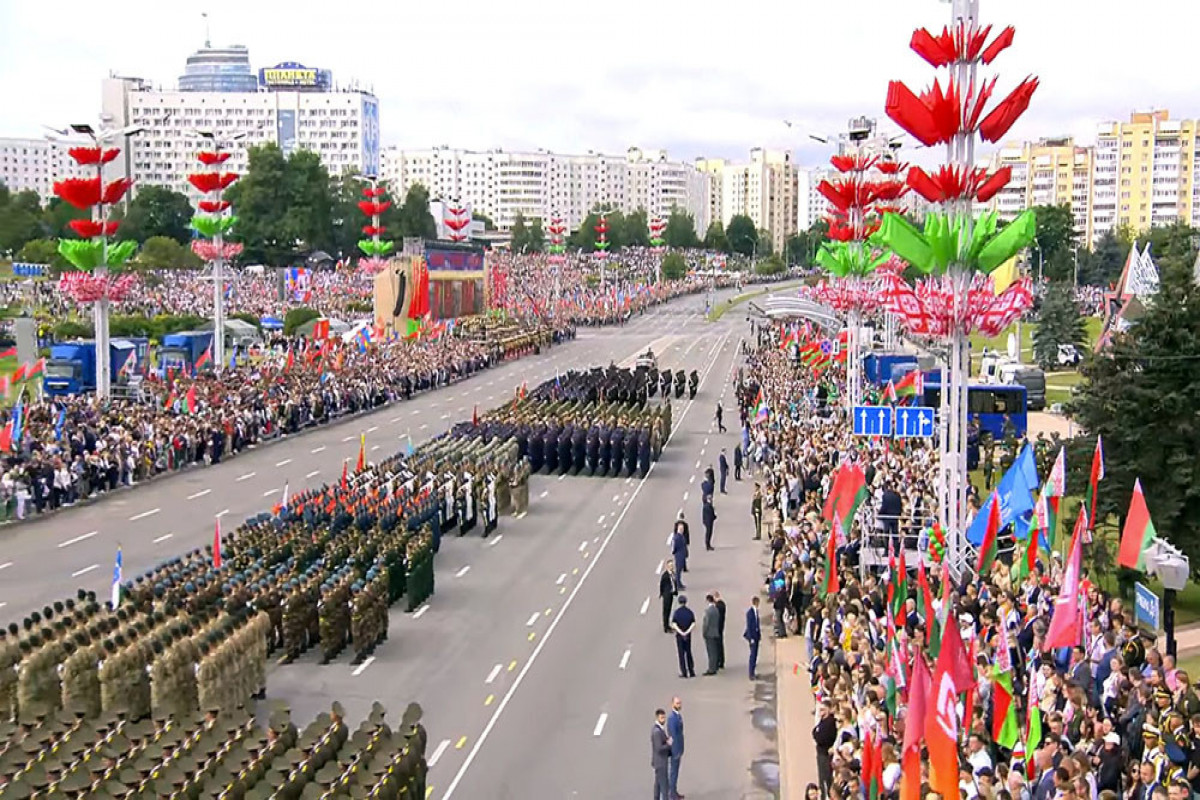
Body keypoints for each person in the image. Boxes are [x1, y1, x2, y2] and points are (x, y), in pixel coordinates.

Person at [814, 701, 837, 800]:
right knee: (821, 778)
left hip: (825, 754)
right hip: (820, 753)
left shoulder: (830, 722)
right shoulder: (822, 721)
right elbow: (814, 732)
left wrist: (817, 734)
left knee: (826, 778)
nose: (821, 712)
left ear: (829, 709)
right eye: (820, 710)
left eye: (823, 710)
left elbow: (822, 738)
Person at [671, 596, 696, 679]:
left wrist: (681, 632)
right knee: (688, 652)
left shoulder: (677, 613)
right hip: (688, 636)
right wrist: (687, 632)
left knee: (681, 654)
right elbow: (693, 623)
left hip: (679, 636)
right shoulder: (689, 612)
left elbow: (674, 624)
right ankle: (691, 670)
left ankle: (684, 672)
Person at [652, 708, 673, 800]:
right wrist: (668, 744)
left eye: (664, 718)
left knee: (658, 784)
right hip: (661, 763)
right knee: (665, 787)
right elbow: (659, 748)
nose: (663, 720)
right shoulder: (657, 732)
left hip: (658, 762)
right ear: (657, 718)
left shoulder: (659, 729)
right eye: (661, 718)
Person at [668, 696, 686, 799]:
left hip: (679, 749)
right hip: (675, 751)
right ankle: (672, 795)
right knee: (673, 773)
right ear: (672, 704)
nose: (679, 705)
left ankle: (674, 792)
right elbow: (673, 736)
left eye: (680, 703)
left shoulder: (678, 716)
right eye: (677, 703)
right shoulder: (672, 718)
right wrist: (675, 751)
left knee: (676, 772)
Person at [702, 594, 721, 676]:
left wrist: (704, 632)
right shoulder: (716, 610)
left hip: (709, 633)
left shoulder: (708, 611)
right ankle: (715, 666)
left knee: (711, 652)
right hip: (715, 632)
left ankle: (711, 669)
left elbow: (706, 623)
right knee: (715, 651)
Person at [744, 596, 762, 680]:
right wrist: (750, 638)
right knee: (752, 655)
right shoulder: (750, 613)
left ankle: (753, 672)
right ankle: (751, 673)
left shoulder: (756, 611)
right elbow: (749, 626)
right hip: (752, 637)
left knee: (755, 655)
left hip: (756, 636)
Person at [659, 562, 678, 634]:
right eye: (670, 566)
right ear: (667, 567)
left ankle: (668, 625)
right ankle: (666, 627)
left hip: (671, 594)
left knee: (669, 610)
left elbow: (674, 583)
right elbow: (662, 584)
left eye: (672, 566)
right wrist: (662, 593)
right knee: (666, 611)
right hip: (667, 595)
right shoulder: (665, 575)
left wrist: (675, 591)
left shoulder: (673, 574)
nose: (672, 567)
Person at [714, 590, 727, 670]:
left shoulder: (718, 606)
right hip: (721, 627)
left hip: (718, 628)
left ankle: (719, 661)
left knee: (718, 645)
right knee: (720, 644)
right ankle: (721, 661)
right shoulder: (722, 604)